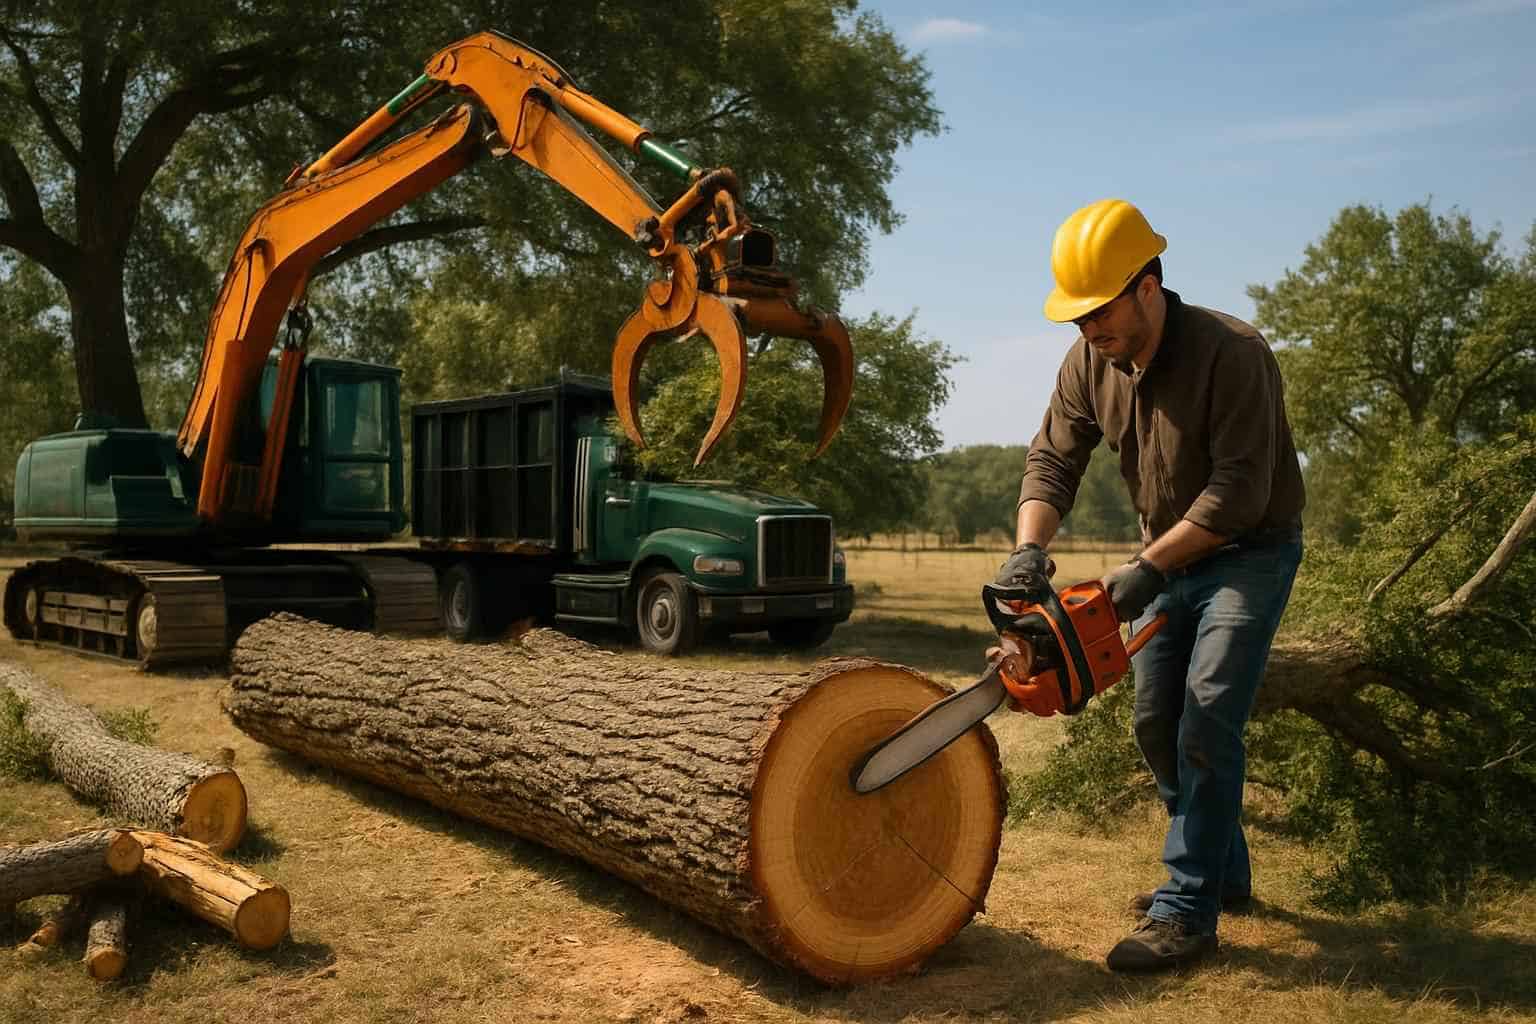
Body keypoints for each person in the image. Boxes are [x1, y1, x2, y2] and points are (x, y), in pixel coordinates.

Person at [996, 198, 1305, 971]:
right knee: (1154, 723)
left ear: (1147, 286)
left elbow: (1238, 493)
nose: (1088, 329)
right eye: (1077, 317)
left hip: (1250, 553)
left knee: (1206, 714)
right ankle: (1221, 872)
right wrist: (1029, 552)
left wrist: (1145, 570)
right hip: (1164, 557)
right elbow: (1053, 460)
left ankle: (1187, 912)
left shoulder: (1233, 352)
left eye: (1099, 310)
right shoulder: (1088, 362)